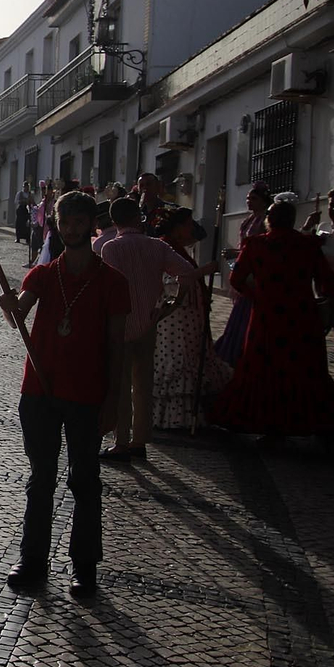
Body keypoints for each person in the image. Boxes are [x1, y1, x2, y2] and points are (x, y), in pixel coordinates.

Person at [0, 191, 129, 598]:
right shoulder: (40, 276)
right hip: (40, 391)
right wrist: (9, 306)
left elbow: (117, 346)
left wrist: (114, 401)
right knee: (41, 480)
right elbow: (20, 311)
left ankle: (84, 567)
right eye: (64, 222)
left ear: (91, 225)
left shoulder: (113, 283)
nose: (71, 229)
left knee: (85, 481)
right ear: (56, 225)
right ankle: (33, 559)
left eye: (78, 222)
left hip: (88, 395)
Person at [208, 194, 334, 437]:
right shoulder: (308, 245)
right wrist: (321, 299)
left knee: (262, 365)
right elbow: (325, 280)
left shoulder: (257, 245)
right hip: (301, 314)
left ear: (270, 220)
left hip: (266, 314)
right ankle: (308, 420)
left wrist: (256, 294)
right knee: (301, 365)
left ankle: (264, 421)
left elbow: (237, 279)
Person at [98, 197, 207, 459]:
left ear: (114, 222)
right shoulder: (156, 246)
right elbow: (188, 273)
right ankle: (140, 441)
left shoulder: (109, 249)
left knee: (122, 385)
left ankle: (121, 441)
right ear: (139, 217)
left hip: (119, 324)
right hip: (149, 320)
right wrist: (173, 302)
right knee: (143, 384)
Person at [152, 207, 233, 430]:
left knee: (191, 355)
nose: (190, 228)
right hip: (177, 315)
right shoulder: (166, 246)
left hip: (189, 314)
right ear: (178, 228)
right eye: (187, 224)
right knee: (178, 358)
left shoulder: (178, 247)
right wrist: (204, 271)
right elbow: (172, 280)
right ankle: (173, 417)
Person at [213, 181, 273, 364]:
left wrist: (237, 253)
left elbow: (261, 248)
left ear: (263, 201)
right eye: (248, 198)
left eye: (253, 198)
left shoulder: (265, 221)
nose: (249, 201)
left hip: (255, 270)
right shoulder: (249, 219)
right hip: (244, 266)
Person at [303, 186, 334, 393]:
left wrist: (321, 247)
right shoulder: (325, 230)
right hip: (326, 293)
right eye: (332, 205)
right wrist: (309, 228)